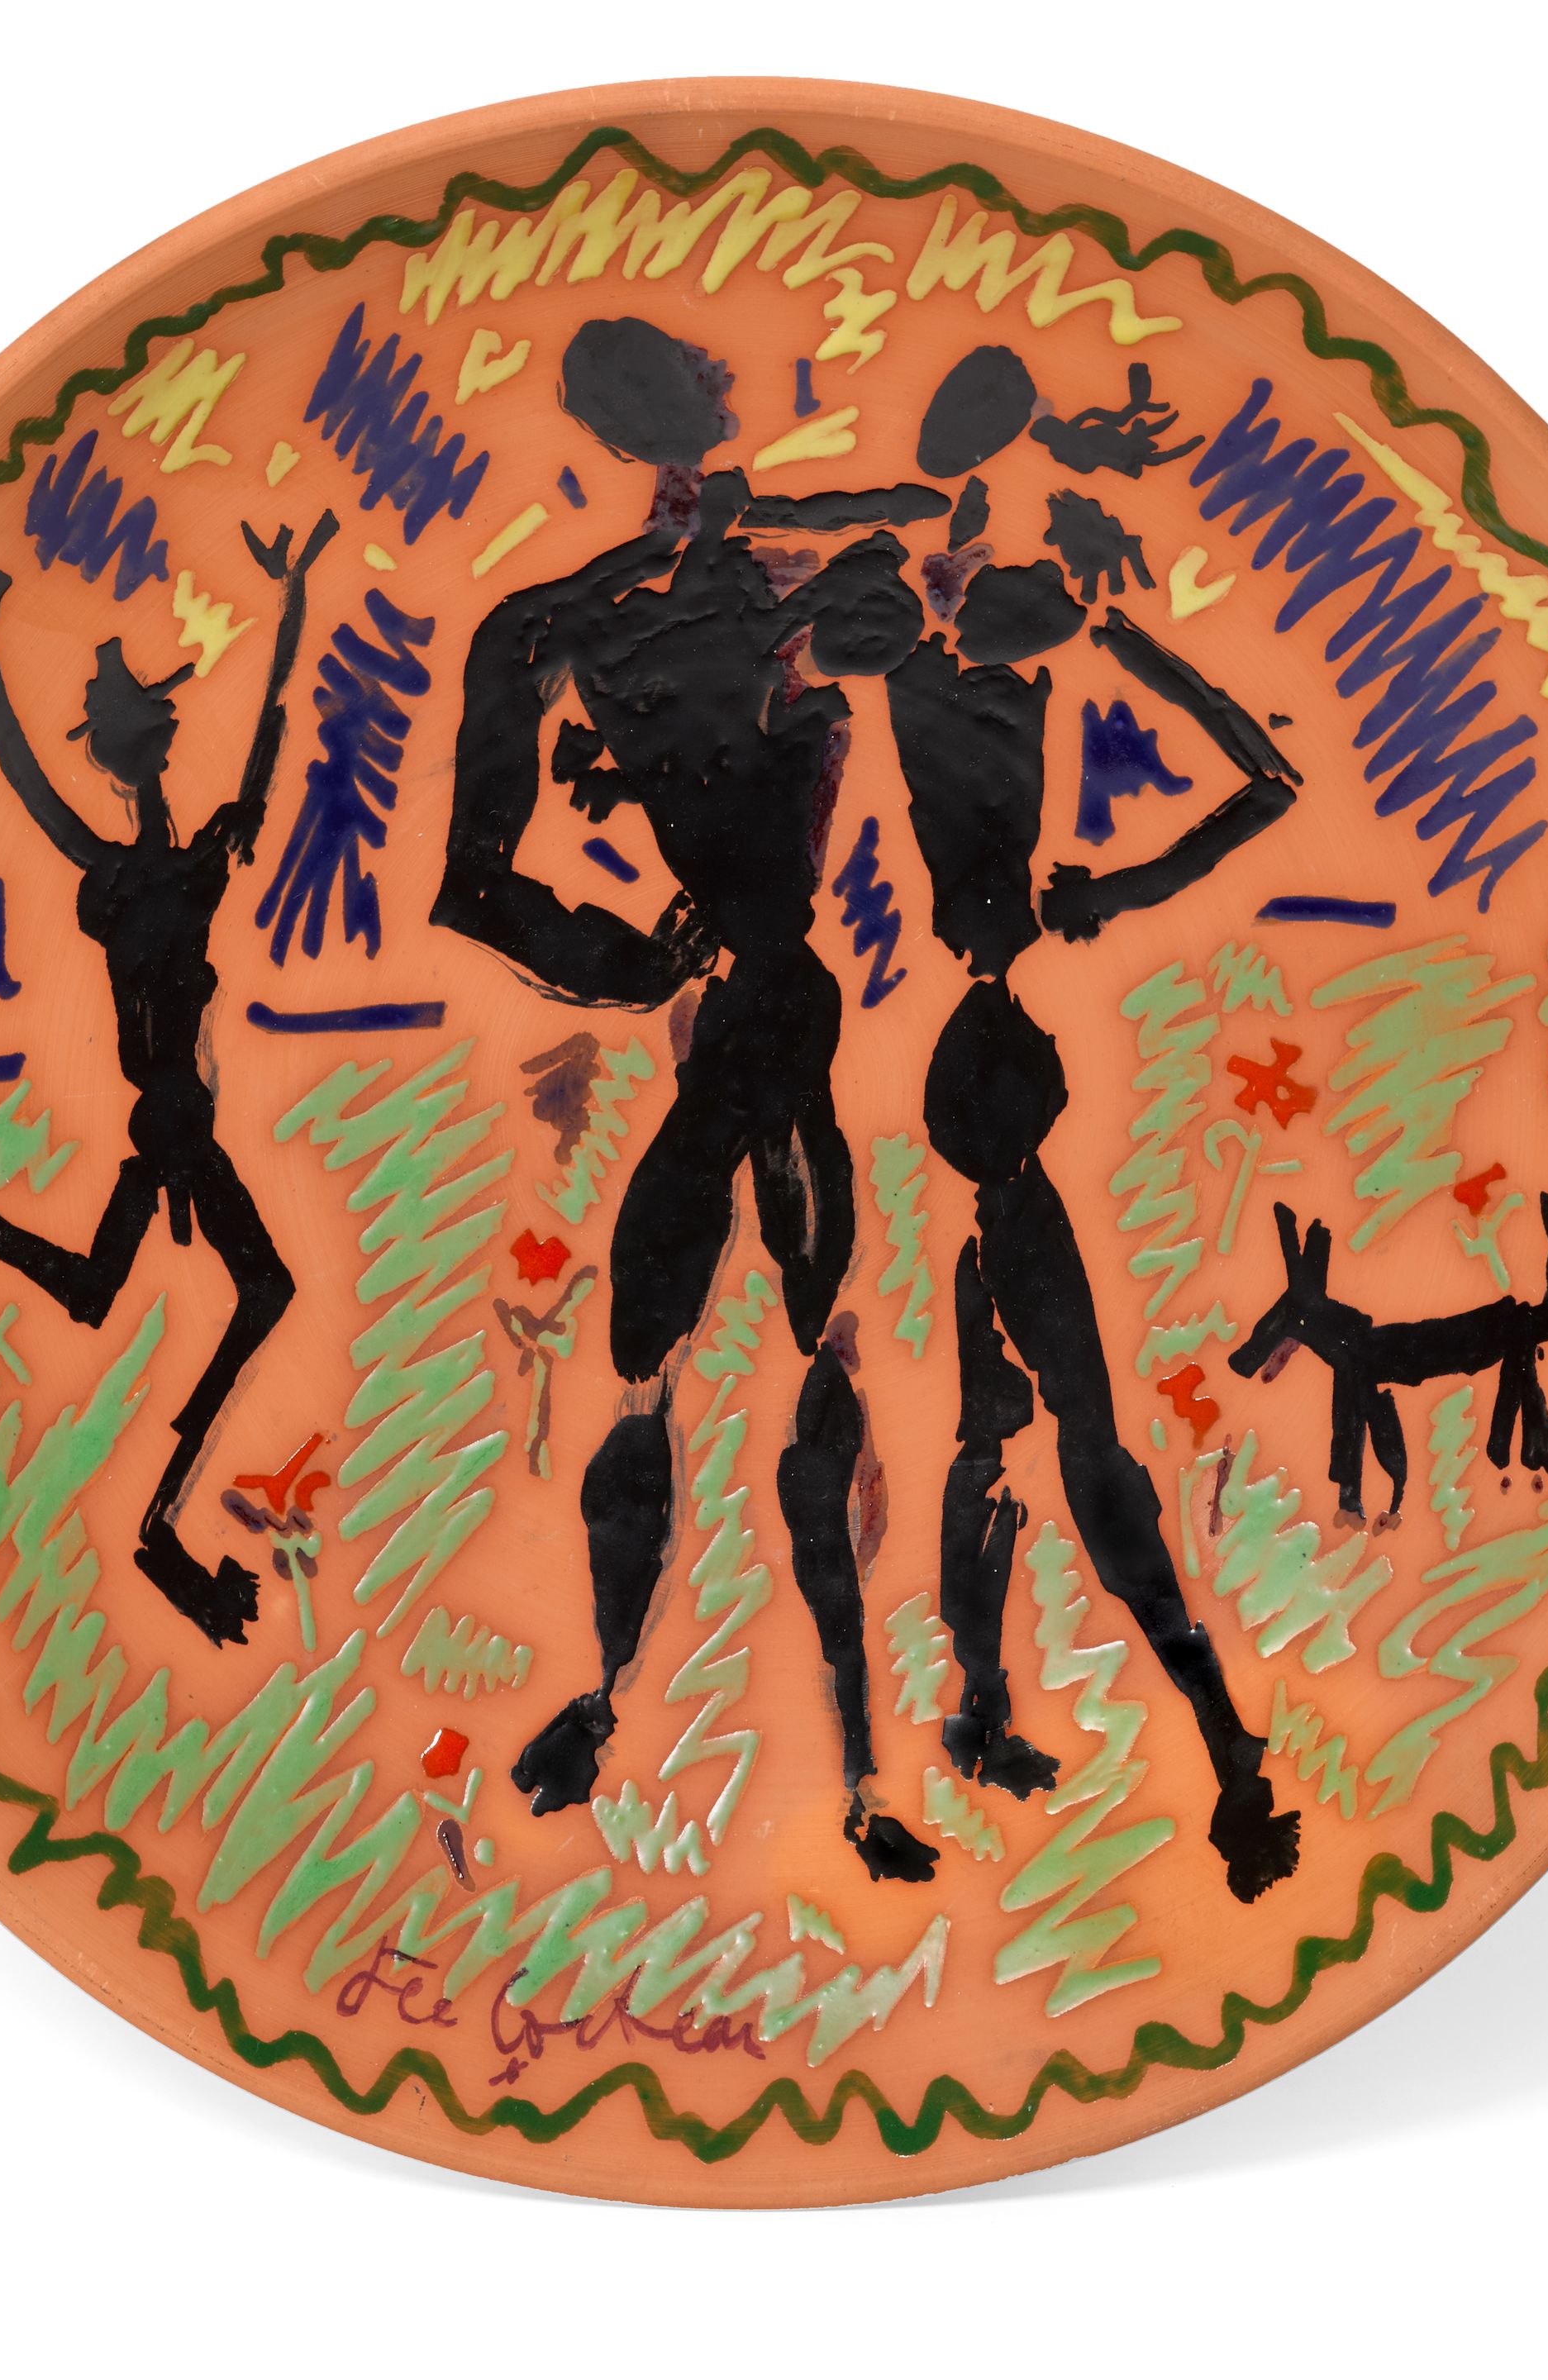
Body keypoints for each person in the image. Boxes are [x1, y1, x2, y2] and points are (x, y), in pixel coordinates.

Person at [434, 317, 942, 1881]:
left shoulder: (600, 612)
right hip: (749, 1000)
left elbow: (475, 885)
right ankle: (828, 1762)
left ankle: (765, 1742)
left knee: (705, 1351)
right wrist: (636, 961)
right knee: (747, 1344)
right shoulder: (661, 602)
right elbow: (477, 887)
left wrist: (635, 958)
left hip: (747, 1002)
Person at [875, 355, 1306, 1899]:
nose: (967, 564)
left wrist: (1114, 642)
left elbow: (1270, 782)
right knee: (1019, 1439)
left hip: (994, 1121)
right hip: (984, 1114)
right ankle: (1037, 1714)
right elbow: (1263, 785)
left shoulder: (1012, 865)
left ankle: (1184, 1727)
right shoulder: (914, 652)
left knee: (1048, 1441)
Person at [0, 513, 336, 1645]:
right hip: (172, 1121)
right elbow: (23, 773)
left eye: (151, 736)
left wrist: (292, 601)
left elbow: (265, 735)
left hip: (174, 1119)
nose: (153, 756)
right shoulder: (136, 872)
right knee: (256, 1291)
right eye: (143, 739)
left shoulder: (183, 859)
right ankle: (157, 1522)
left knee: (113, 1293)